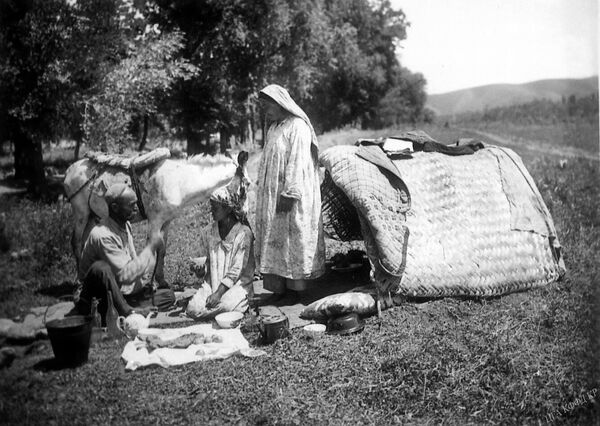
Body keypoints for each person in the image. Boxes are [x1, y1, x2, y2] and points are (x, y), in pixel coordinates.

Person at [255, 84, 325, 305]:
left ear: (281, 103)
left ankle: (297, 290)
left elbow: (299, 161)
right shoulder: (274, 128)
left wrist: (290, 191)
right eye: (263, 106)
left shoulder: (298, 127)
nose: (266, 110)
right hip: (272, 194)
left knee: (292, 238)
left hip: (292, 194)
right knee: (275, 239)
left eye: (269, 105)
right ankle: (279, 289)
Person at [68, 183, 162, 325]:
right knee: (101, 268)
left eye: (136, 203)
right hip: (97, 294)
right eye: (131, 205)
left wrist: (144, 282)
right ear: (115, 208)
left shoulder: (125, 225)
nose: (136, 208)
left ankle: (126, 306)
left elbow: (131, 258)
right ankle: (126, 311)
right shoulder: (103, 235)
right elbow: (126, 275)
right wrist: (151, 247)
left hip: (118, 288)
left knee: (167, 296)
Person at [186, 184, 255, 319]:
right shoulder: (208, 232)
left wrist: (218, 293)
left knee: (226, 305)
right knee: (193, 308)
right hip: (212, 285)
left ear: (227, 208)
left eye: (215, 207)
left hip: (236, 286)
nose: (211, 211)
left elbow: (237, 269)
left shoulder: (243, 233)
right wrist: (201, 270)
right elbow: (207, 263)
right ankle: (211, 311)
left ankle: (216, 310)